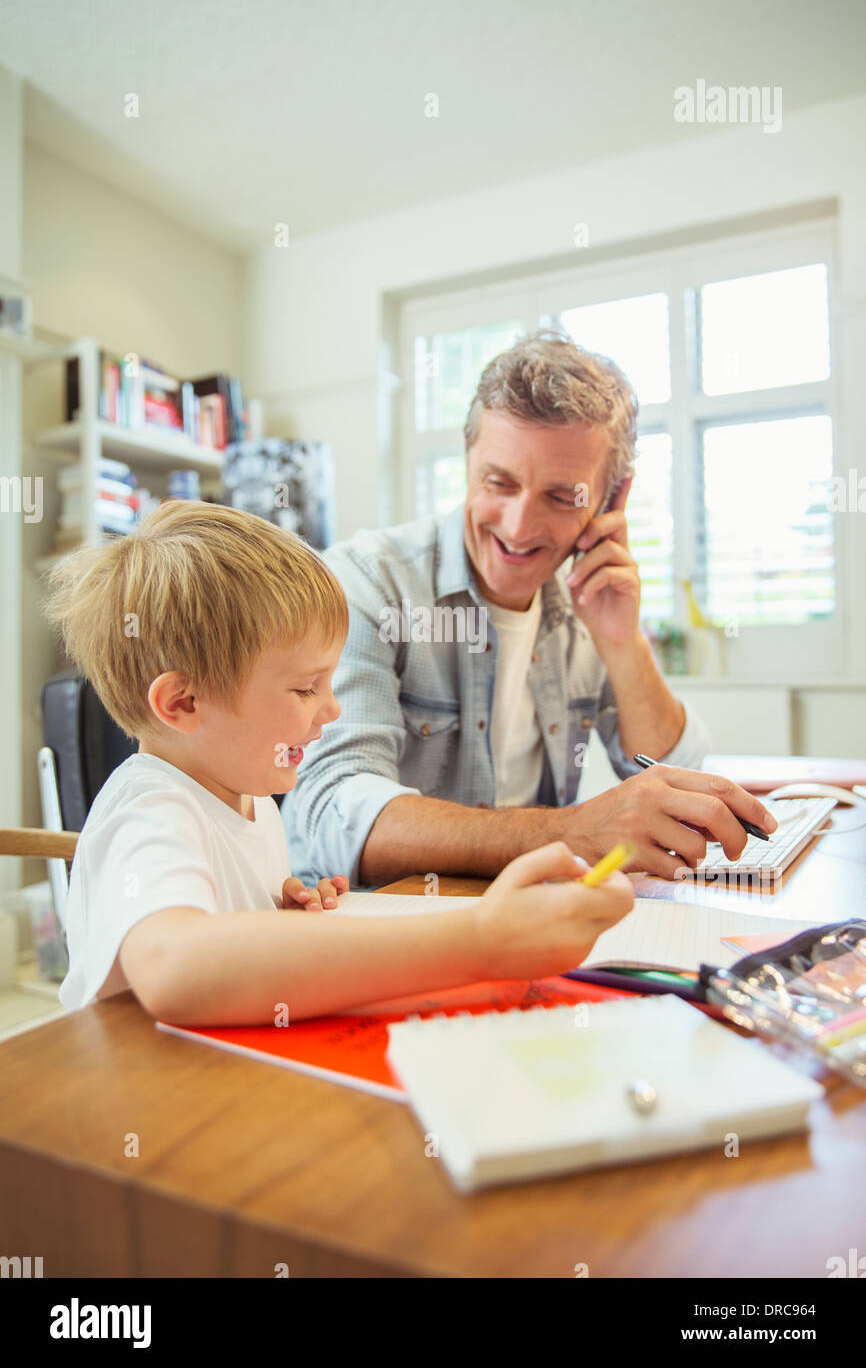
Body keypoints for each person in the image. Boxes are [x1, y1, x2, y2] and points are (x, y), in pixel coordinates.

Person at [44, 500, 633, 1026]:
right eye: (305, 689)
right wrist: (479, 940)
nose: (331, 709)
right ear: (184, 703)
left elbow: (223, 940)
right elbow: (174, 968)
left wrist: (279, 920)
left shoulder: (247, 798)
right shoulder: (153, 809)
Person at [285, 329, 776, 887]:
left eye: (562, 497)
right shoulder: (366, 582)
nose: (519, 527)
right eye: (499, 481)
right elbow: (337, 814)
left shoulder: (587, 594)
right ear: (467, 460)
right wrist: (574, 830)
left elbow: (685, 779)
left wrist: (622, 641)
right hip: (375, 927)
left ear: (613, 496)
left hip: (515, 917)